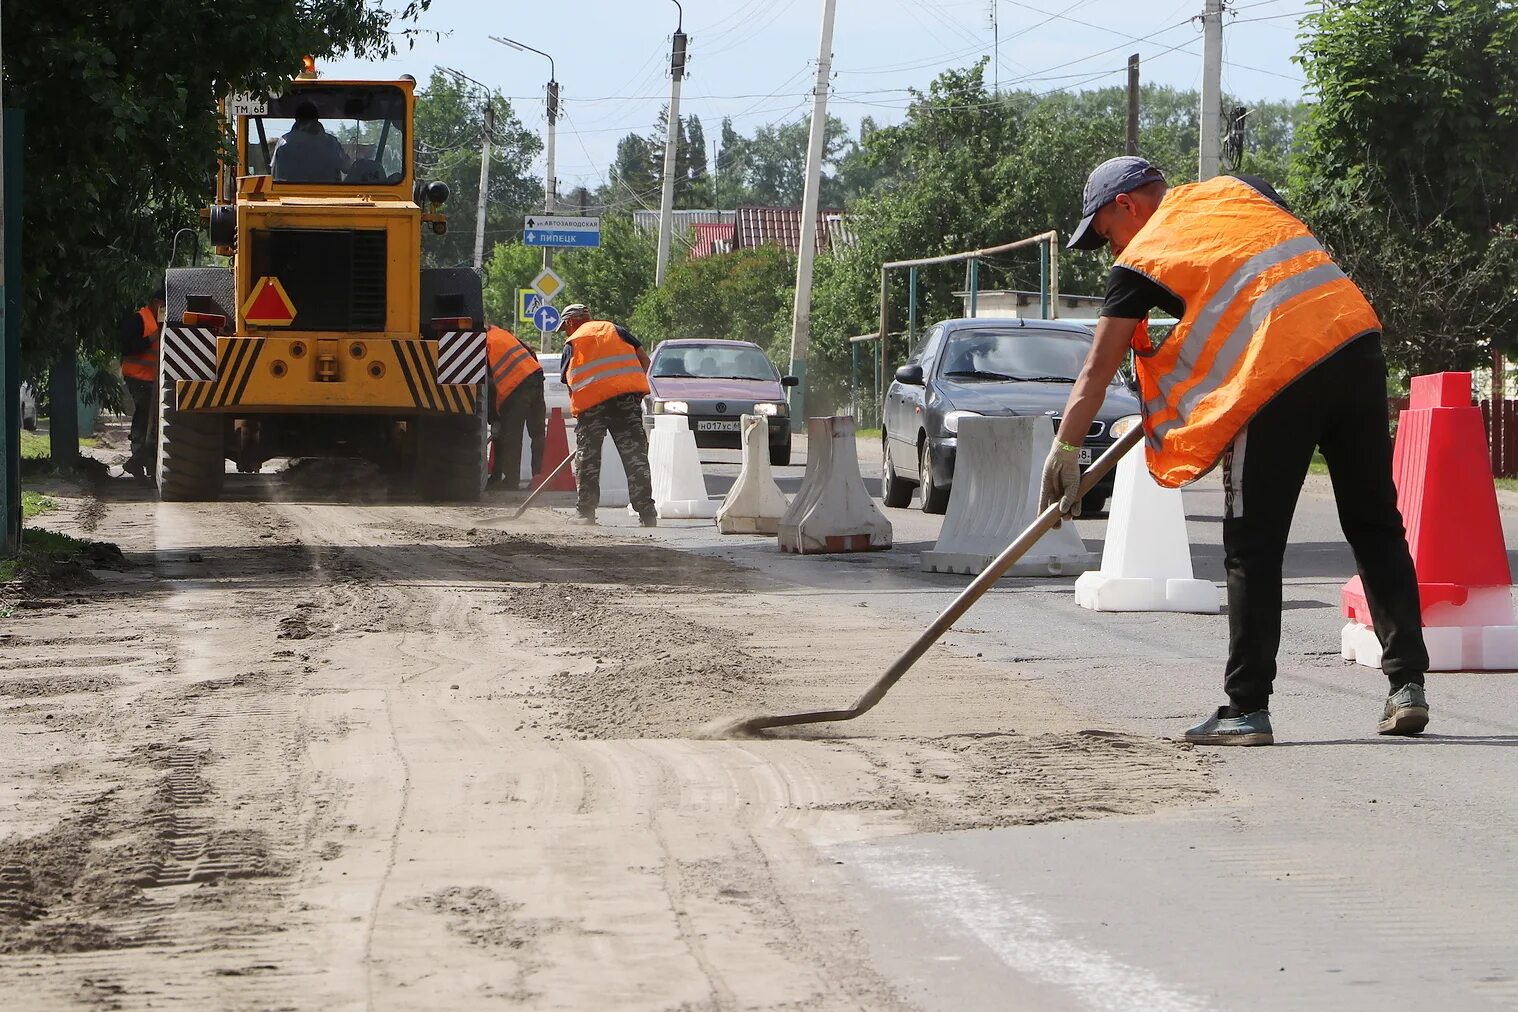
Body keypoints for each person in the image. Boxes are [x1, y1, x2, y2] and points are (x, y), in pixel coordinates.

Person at [1040, 155, 1429, 746]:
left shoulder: (1141, 260)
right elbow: (1257, 274)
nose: (1110, 250)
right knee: (1374, 522)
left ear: (1128, 206)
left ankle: (1247, 708)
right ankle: (1407, 687)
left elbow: (1097, 369)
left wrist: (1067, 447)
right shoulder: (1239, 190)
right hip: (1354, 345)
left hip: (1278, 377)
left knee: (1253, 542)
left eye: (1105, 235)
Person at [557, 304, 657, 526]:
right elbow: (645, 360)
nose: (565, 332)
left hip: (592, 406)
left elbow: (569, 382)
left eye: (564, 327)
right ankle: (647, 514)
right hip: (626, 401)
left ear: (571, 322)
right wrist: (635, 393)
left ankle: (585, 513)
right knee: (635, 457)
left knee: (588, 458)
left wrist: (578, 411)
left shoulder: (573, 341)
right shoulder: (616, 330)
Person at [485, 322, 546, 489]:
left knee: (510, 435)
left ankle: (510, 481)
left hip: (515, 387)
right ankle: (539, 479)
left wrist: (493, 415)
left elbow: (486, 383)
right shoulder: (502, 334)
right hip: (536, 376)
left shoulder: (483, 341)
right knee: (538, 433)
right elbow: (531, 353)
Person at [118, 285, 165, 480]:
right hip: (137, 376)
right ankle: (139, 456)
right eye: (163, 305)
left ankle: (143, 460)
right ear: (155, 303)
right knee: (146, 414)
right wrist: (151, 339)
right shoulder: (139, 320)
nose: (165, 309)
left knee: (151, 417)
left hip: (152, 378)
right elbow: (127, 347)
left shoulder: (161, 322)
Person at [270, 101, 350, 183]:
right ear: (317, 119)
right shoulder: (332, 143)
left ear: (296, 119)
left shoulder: (283, 142)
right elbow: (347, 167)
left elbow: (273, 174)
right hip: (328, 193)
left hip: (288, 194)